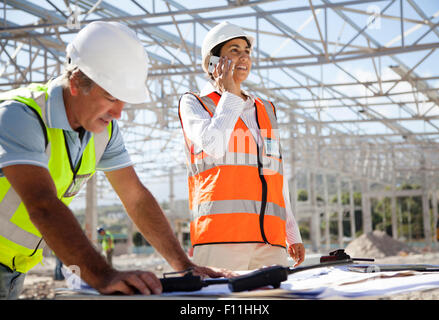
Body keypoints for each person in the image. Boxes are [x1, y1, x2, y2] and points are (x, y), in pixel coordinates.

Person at [0, 21, 229, 300]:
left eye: (124, 101)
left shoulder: (104, 130)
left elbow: (135, 198)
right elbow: (42, 205)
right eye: (110, 97)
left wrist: (185, 266)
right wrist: (103, 275)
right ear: (75, 84)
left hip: (14, 267)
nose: (118, 113)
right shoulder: (20, 116)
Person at [178, 21, 306, 270]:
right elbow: (214, 144)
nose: (244, 56)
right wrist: (230, 95)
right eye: (234, 50)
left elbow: (276, 174)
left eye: (247, 51)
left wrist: (292, 233)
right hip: (220, 240)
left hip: (269, 241)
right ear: (213, 62)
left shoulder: (266, 109)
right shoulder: (194, 104)